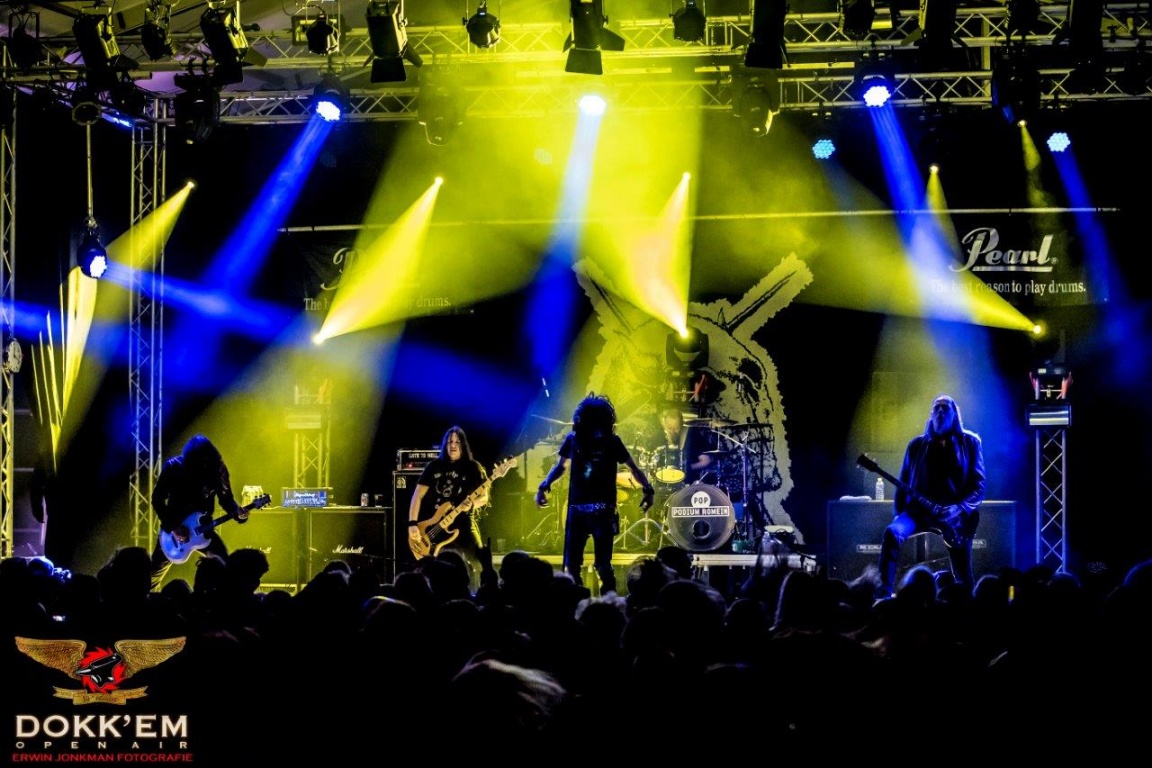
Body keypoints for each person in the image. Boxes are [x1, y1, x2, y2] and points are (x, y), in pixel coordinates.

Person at [535, 394, 655, 594]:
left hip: (584, 510)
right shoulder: (604, 441)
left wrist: (544, 486)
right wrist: (648, 489)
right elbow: (633, 469)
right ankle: (607, 601)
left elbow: (561, 467)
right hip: (599, 511)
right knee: (600, 565)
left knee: (575, 566)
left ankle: (582, 602)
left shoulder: (581, 440)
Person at [875, 394, 986, 600]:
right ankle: (882, 597)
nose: (940, 412)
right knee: (892, 532)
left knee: (963, 573)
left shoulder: (970, 442)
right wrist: (899, 515)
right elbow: (903, 482)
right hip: (918, 512)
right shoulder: (916, 445)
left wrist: (958, 508)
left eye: (945, 408)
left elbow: (979, 486)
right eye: (936, 408)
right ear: (931, 415)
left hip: (954, 517)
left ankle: (966, 603)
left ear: (955, 414)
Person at [148, 434, 248, 592]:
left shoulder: (218, 469)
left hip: (203, 529)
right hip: (175, 529)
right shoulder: (174, 467)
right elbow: (157, 499)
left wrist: (238, 513)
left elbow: (227, 499)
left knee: (224, 566)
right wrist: (173, 528)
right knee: (152, 575)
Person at [406, 426, 490, 588]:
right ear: (445, 444)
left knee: (479, 564)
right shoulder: (434, 466)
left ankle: (480, 595)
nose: (453, 445)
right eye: (450, 442)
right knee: (434, 569)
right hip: (436, 528)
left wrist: (472, 504)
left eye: (457, 442)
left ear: (463, 445)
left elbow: (484, 497)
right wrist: (412, 524)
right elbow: (417, 496)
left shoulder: (473, 467)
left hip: (464, 523)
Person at [651, 406, 716, 487]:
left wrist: (688, 467)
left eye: (676, 428)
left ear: (682, 424)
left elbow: (706, 460)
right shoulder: (659, 437)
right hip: (662, 485)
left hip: (687, 485)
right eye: (669, 428)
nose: (672, 431)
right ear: (665, 425)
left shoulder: (692, 435)